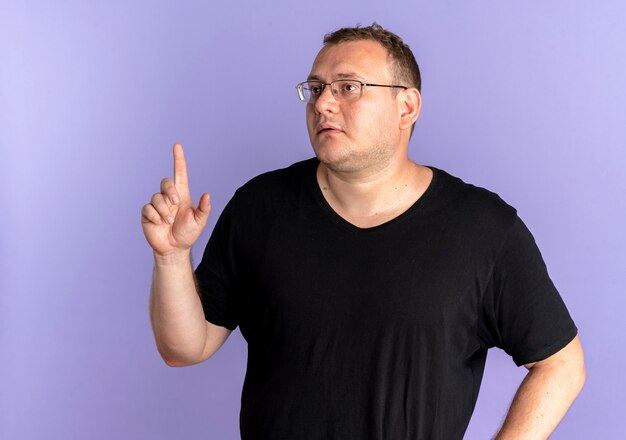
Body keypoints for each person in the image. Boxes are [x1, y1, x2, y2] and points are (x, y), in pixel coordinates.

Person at [141, 23, 585, 440]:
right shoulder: (260, 207)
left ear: (406, 107)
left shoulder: (484, 229)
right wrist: (170, 257)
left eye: (348, 87)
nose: (322, 104)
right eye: (315, 89)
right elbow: (184, 347)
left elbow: (562, 364)